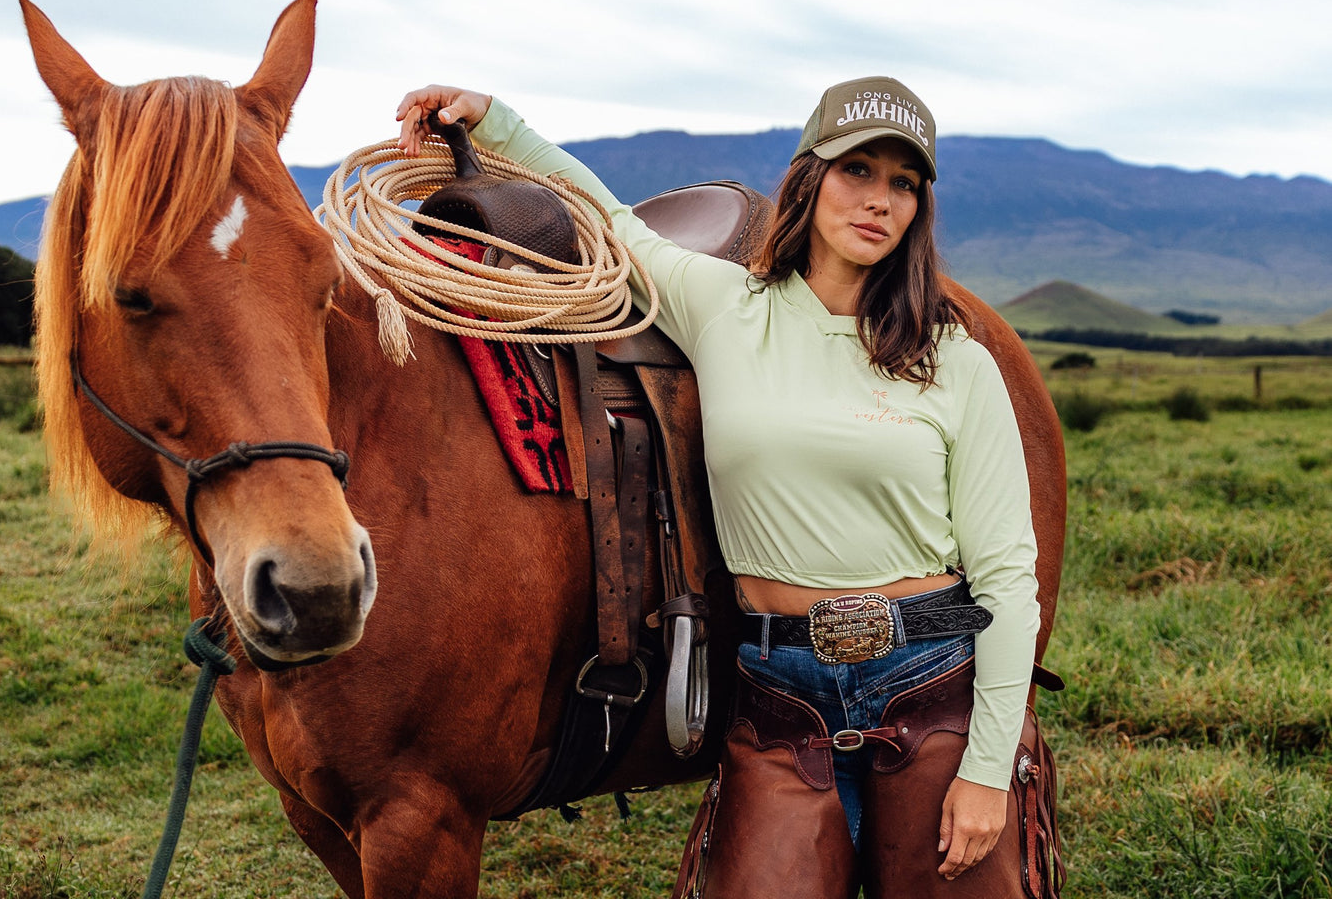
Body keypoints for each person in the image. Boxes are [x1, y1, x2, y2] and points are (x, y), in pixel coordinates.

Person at [396, 78, 1042, 895]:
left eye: (903, 184)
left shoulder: (954, 362)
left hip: (925, 678)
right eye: (857, 172)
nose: (878, 200)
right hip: (781, 693)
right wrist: (496, 121)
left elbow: (1008, 582)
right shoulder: (723, 308)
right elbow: (610, 220)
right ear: (808, 181)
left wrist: (988, 770)